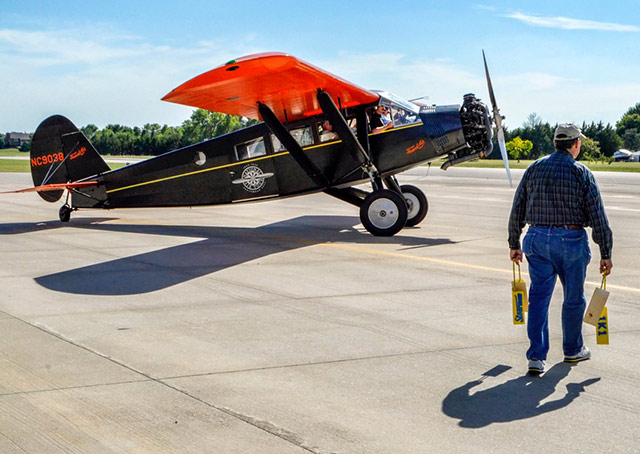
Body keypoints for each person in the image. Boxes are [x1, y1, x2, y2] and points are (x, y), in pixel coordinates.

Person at [508, 123, 613, 375]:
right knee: (573, 298)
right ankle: (572, 349)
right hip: (571, 240)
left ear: (556, 143)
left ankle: (536, 357)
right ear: (575, 144)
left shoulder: (535, 168)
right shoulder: (581, 172)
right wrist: (606, 252)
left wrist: (514, 242)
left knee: (538, 298)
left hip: (536, 239)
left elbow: (518, 206)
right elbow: (597, 215)